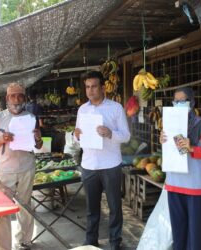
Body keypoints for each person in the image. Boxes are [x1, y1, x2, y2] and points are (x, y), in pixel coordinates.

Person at [74, 71, 130, 250]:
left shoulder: (115, 108)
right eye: (87, 87)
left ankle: (115, 242)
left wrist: (110, 133)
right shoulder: (82, 109)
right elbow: (78, 137)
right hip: (89, 165)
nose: (90, 90)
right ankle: (91, 241)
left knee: (114, 207)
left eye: (94, 86)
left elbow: (126, 136)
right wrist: (75, 135)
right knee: (92, 209)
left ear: (103, 88)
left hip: (110, 165)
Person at [160, 87, 201, 250]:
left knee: (195, 233)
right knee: (178, 231)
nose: (178, 104)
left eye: (182, 101)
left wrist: (192, 148)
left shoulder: (200, 126)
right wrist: (162, 139)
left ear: (191, 103)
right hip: (173, 183)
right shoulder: (169, 123)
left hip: (193, 187)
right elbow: (170, 149)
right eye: (175, 101)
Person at [0, 83, 43, 250]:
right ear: (7, 99)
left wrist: (39, 138)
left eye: (20, 96)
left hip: (27, 167)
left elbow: (38, 146)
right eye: (13, 96)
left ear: (24, 98)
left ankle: (24, 241)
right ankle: (3, 247)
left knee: (25, 206)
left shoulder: (31, 118)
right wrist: (1, 140)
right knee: (2, 210)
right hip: (6, 170)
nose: (17, 99)